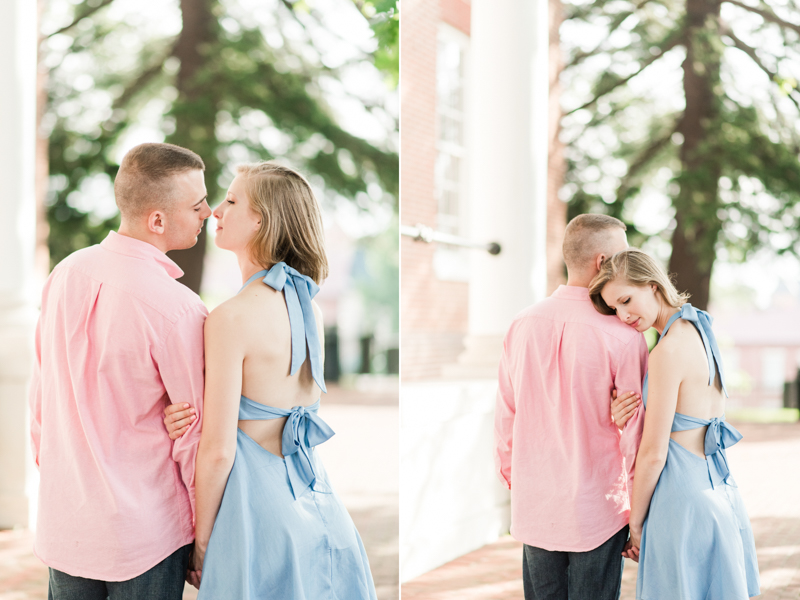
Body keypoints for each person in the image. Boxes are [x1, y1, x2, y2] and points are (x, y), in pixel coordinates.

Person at [163, 161, 377, 599]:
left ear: (261, 220)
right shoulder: (308, 307)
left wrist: (202, 542)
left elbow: (219, 452)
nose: (215, 210)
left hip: (255, 519)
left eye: (232, 200)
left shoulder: (230, 318)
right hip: (317, 505)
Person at [29, 143, 212, 599]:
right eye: (197, 204)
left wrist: (59, 480)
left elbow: (40, 401)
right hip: (145, 533)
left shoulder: (64, 274)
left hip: (66, 521)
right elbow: (195, 437)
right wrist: (202, 533)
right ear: (157, 220)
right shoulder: (179, 309)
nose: (209, 211)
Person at [589, 248, 760, 599]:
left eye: (625, 300)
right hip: (718, 491)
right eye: (614, 309)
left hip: (679, 503)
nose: (622, 315)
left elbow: (654, 453)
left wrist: (635, 523)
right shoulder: (699, 328)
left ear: (652, 285)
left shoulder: (666, 351)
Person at [494, 214, 649, 600]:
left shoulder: (520, 324)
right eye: (622, 256)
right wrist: (637, 514)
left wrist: (518, 478)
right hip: (597, 506)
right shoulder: (625, 337)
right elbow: (635, 434)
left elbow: (505, 414)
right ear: (602, 263)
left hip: (535, 501)